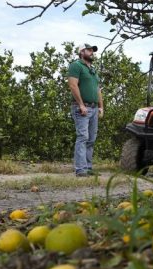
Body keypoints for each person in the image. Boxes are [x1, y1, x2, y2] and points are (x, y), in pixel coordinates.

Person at [67, 43, 104, 177]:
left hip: (94, 108)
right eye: (89, 50)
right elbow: (72, 85)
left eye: (92, 50)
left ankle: (88, 168)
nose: (92, 52)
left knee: (91, 139)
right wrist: (81, 105)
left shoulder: (93, 70)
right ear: (81, 52)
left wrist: (101, 106)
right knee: (83, 137)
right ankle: (80, 169)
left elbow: (97, 90)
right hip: (82, 108)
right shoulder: (76, 65)